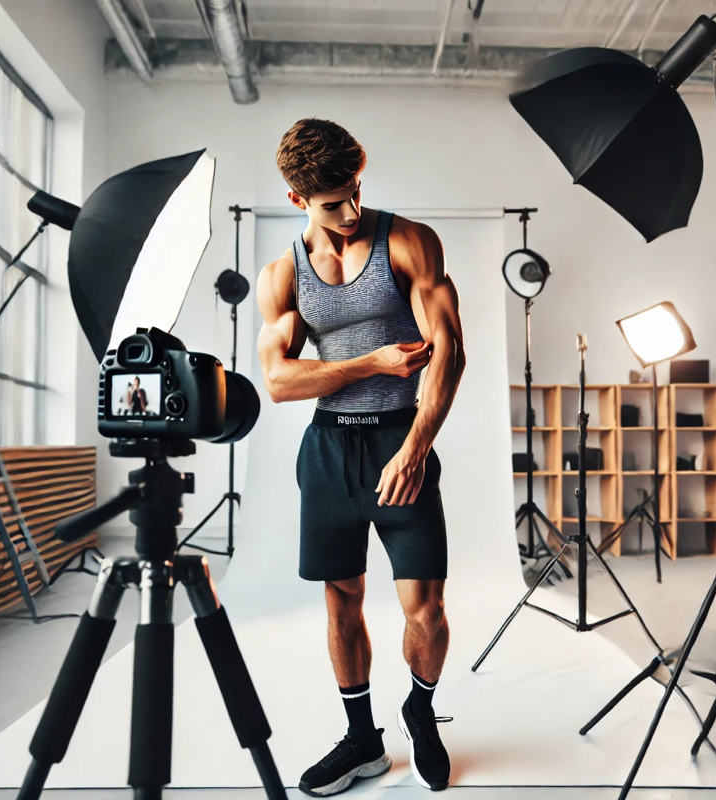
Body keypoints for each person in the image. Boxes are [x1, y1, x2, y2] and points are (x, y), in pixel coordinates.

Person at [256, 118, 465, 795]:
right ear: (297, 201)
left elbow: (449, 353)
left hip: (399, 438)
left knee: (425, 608)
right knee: (341, 601)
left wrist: (415, 447)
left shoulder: (406, 241)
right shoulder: (283, 274)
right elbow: (281, 383)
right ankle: (362, 739)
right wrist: (370, 361)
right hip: (328, 450)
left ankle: (421, 709)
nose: (349, 212)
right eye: (330, 203)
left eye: (353, 192)